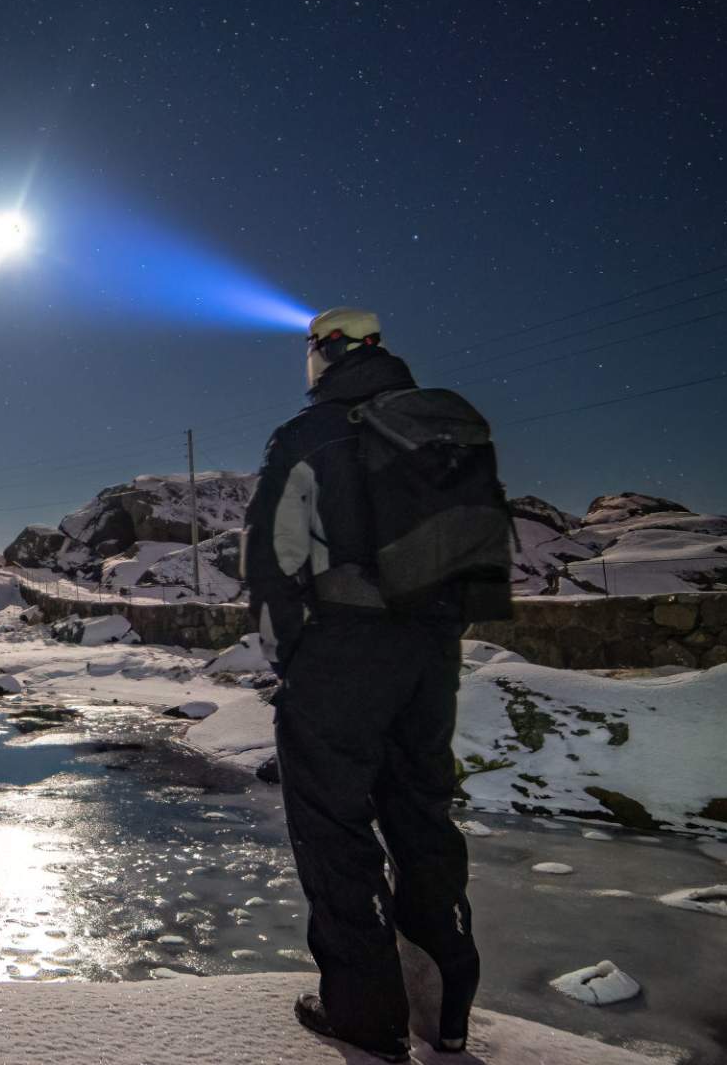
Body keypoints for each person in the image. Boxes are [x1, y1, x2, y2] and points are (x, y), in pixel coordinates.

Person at [243, 307, 484, 1062]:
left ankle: (364, 1014)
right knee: (422, 814)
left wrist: (293, 664)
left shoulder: (308, 437)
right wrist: (438, 643)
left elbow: (270, 562)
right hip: (432, 652)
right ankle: (443, 1008)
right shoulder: (449, 426)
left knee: (334, 827)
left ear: (321, 355)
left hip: (343, 650)